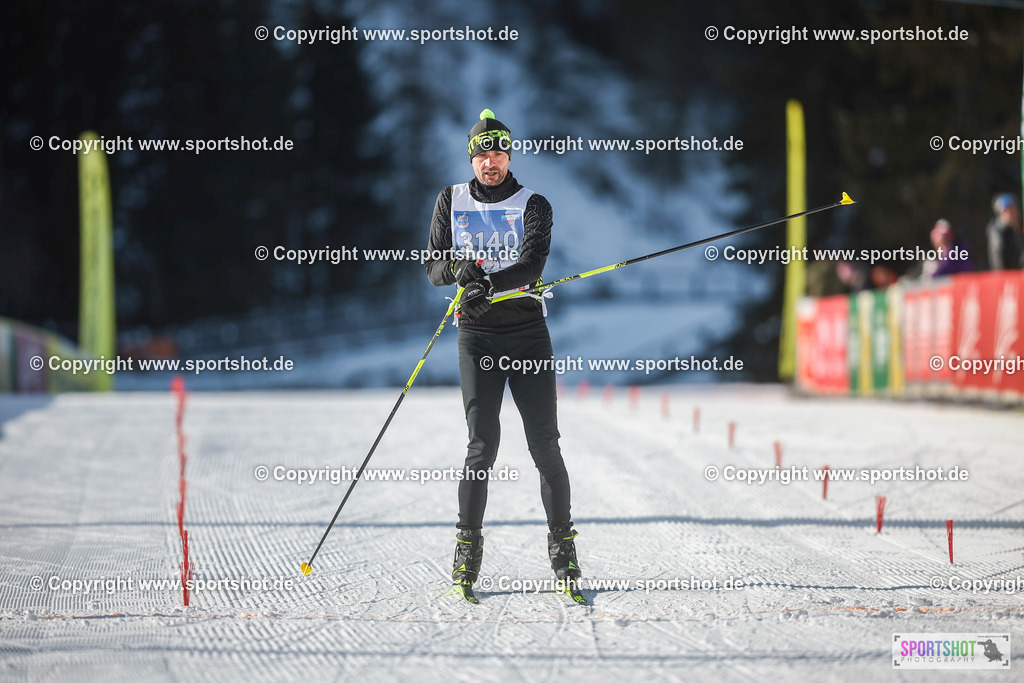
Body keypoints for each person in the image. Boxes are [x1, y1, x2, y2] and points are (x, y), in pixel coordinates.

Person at [424, 109, 581, 601]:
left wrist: (488, 282)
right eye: (481, 154)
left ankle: (564, 554)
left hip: (528, 335)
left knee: (545, 447)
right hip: (477, 338)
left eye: (498, 152)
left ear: (509, 154)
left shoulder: (534, 203)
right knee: (480, 447)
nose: (490, 162)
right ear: (471, 158)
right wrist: (458, 270)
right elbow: (432, 267)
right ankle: (466, 556)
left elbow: (532, 263)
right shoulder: (450, 199)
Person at [986, 193, 1023, 270]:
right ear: (1002, 212)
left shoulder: (1015, 229)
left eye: (1015, 210)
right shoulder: (997, 231)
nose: (1015, 214)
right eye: (1010, 211)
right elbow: (998, 259)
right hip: (1007, 276)